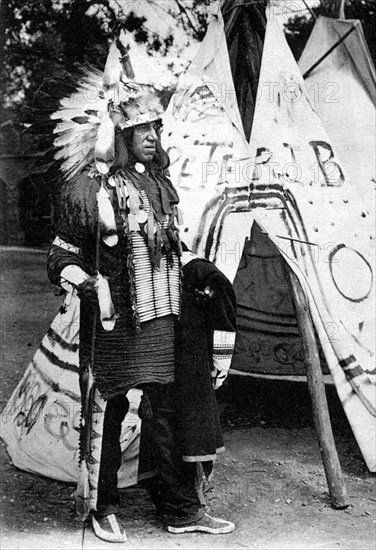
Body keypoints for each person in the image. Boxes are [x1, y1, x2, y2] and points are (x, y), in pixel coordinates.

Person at [47, 42, 237, 542]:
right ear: (118, 134)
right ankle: (102, 505)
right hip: (115, 324)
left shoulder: (159, 184)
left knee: (166, 411)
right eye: (140, 130)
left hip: (164, 319)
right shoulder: (88, 190)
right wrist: (89, 285)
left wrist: (198, 270)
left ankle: (180, 510)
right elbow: (60, 257)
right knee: (108, 410)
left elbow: (170, 246)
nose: (152, 138)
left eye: (156, 128)